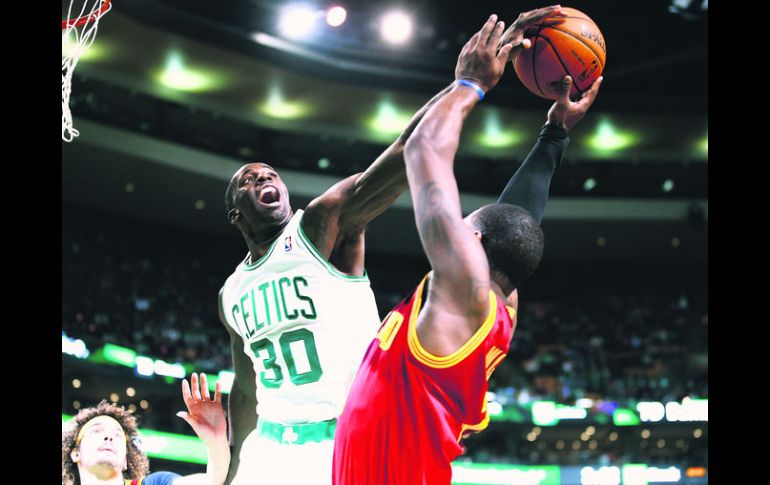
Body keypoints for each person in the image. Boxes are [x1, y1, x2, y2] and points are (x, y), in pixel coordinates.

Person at [332, 8, 602, 484]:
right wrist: (553, 135)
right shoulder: (497, 306)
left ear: (472, 244)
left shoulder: (464, 293)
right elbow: (514, 223)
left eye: (462, 225)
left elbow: (423, 149)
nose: (452, 229)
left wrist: (471, 83)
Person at [218, 49, 462, 485]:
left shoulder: (318, 227)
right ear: (235, 213)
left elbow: (406, 150)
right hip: (269, 449)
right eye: (249, 180)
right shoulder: (231, 292)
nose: (265, 179)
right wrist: (234, 463)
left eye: (270, 174)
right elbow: (246, 387)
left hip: (343, 438)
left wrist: (466, 85)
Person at [62, 373, 230, 485]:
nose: (109, 437)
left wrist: (215, 442)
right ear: (75, 452)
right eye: (96, 431)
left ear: (125, 460)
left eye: (118, 435)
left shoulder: (156, 483)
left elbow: (211, 481)